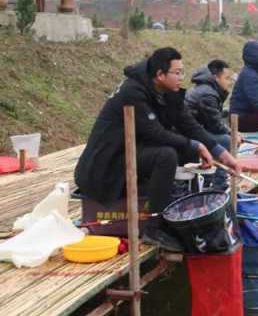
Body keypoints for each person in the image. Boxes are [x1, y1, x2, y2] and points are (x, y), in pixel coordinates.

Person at [75, 47, 241, 252]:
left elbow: (188, 124)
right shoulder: (133, 92)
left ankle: (162, 201)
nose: (182, 77)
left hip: (130, 151)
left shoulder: (164, 90)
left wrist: (221, 154)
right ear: (160, 75)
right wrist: (195, 145)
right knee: (167, 155)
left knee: (184, 150)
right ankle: (154, 226)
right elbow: (155, 133)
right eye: (177, 72)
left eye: (183, 71)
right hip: (106, 164)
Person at [185, 60, 234, 191]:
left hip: (194, 131)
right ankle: (218, 183)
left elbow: (213, 118)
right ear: (216, 78)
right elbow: (215, 125)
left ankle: (209, 178)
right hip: (188, 134)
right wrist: (232, 133)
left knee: (223, 137)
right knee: (226, 140)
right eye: (227, 78)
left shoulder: (205, 89)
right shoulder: (208, 94)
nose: (229, 82)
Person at [230, 41, 258, 143]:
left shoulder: (255, 74)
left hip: (248, 115)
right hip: (240, 120)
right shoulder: (249, 76)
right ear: (257, 58)